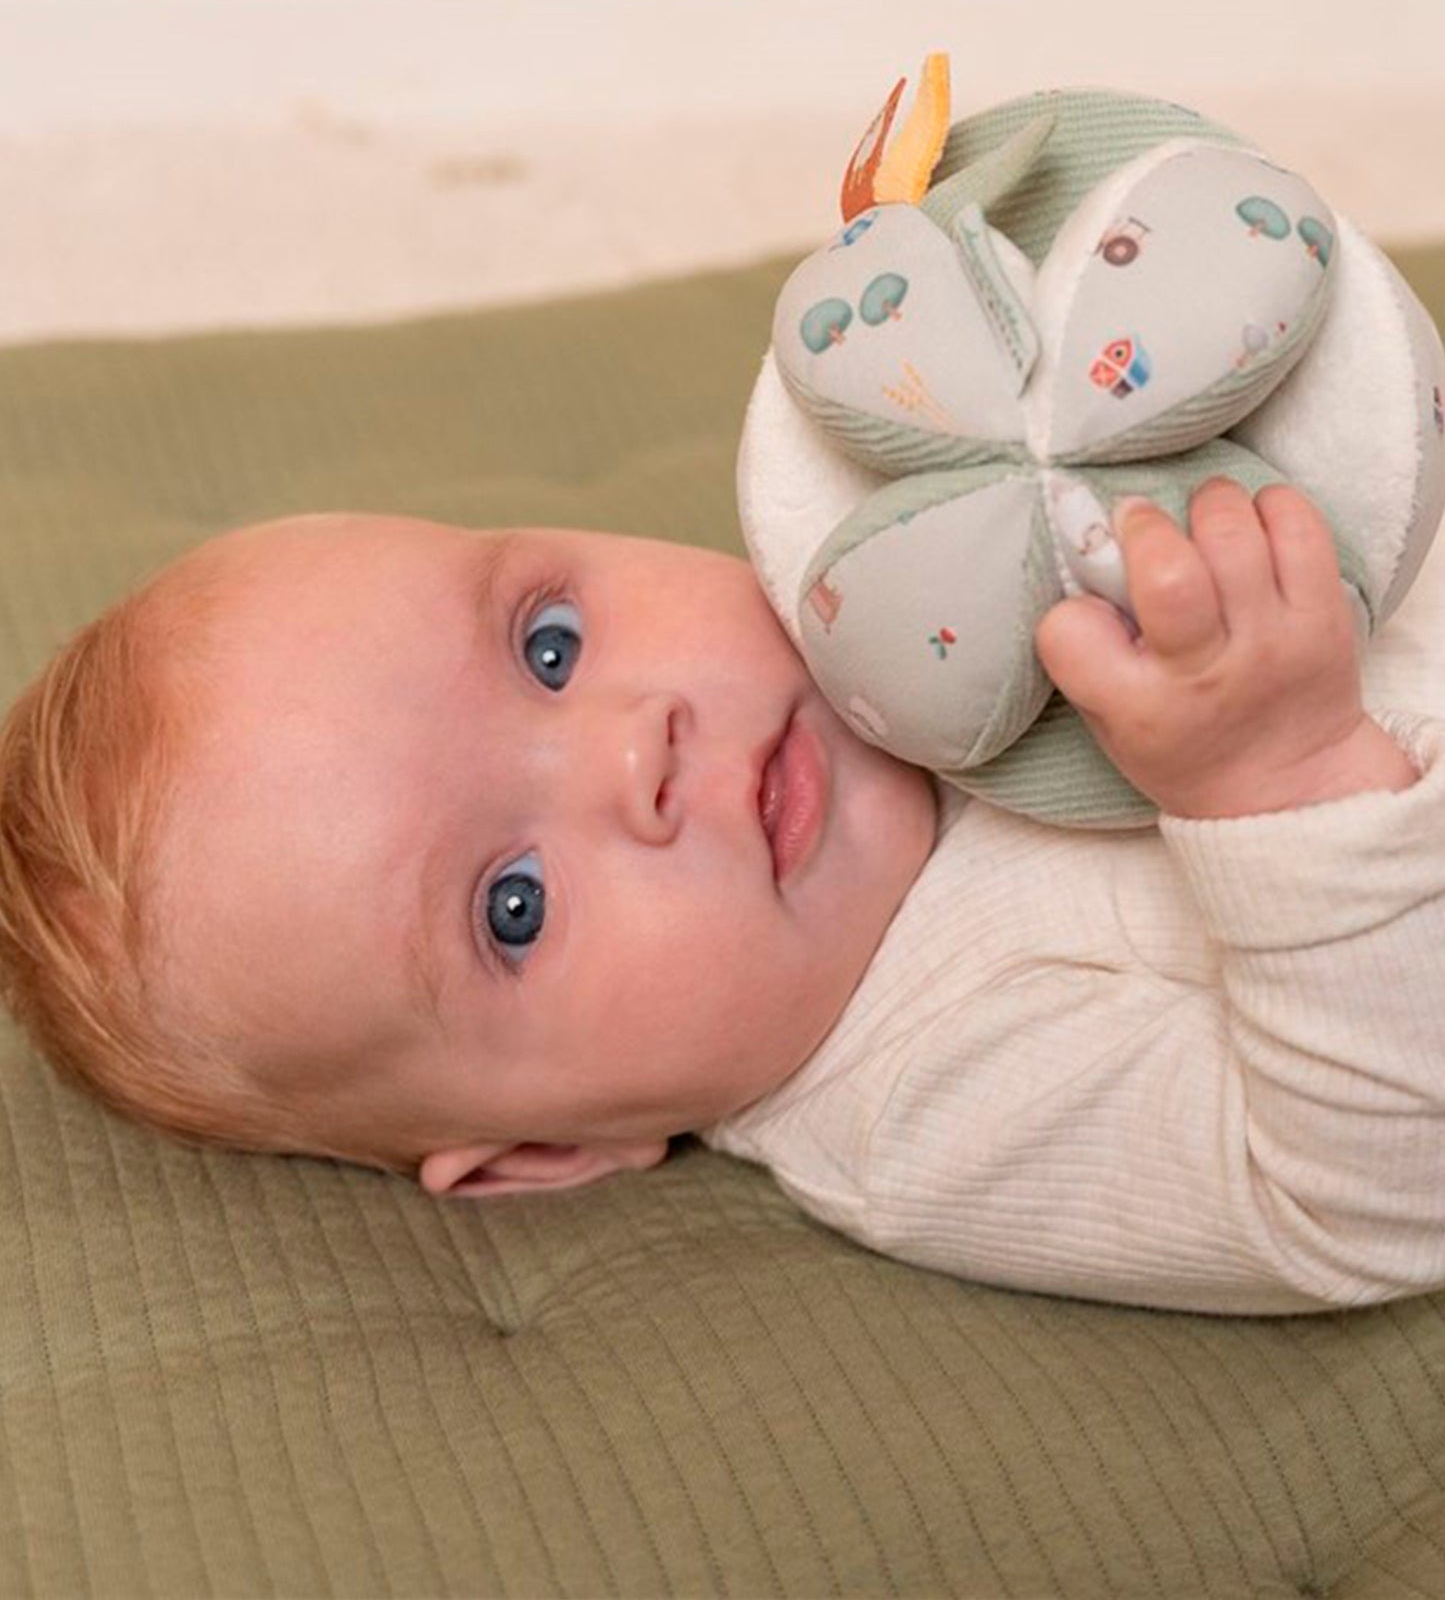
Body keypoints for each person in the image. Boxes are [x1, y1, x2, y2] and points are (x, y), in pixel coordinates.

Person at [1, 477, 1441, 1314]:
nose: (638, 748)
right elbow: (1366, 1197)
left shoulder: (875, 563)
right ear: (542, 1151)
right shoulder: (925, 1104)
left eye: (549, 645)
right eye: (514, 907)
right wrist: (1283, 780)